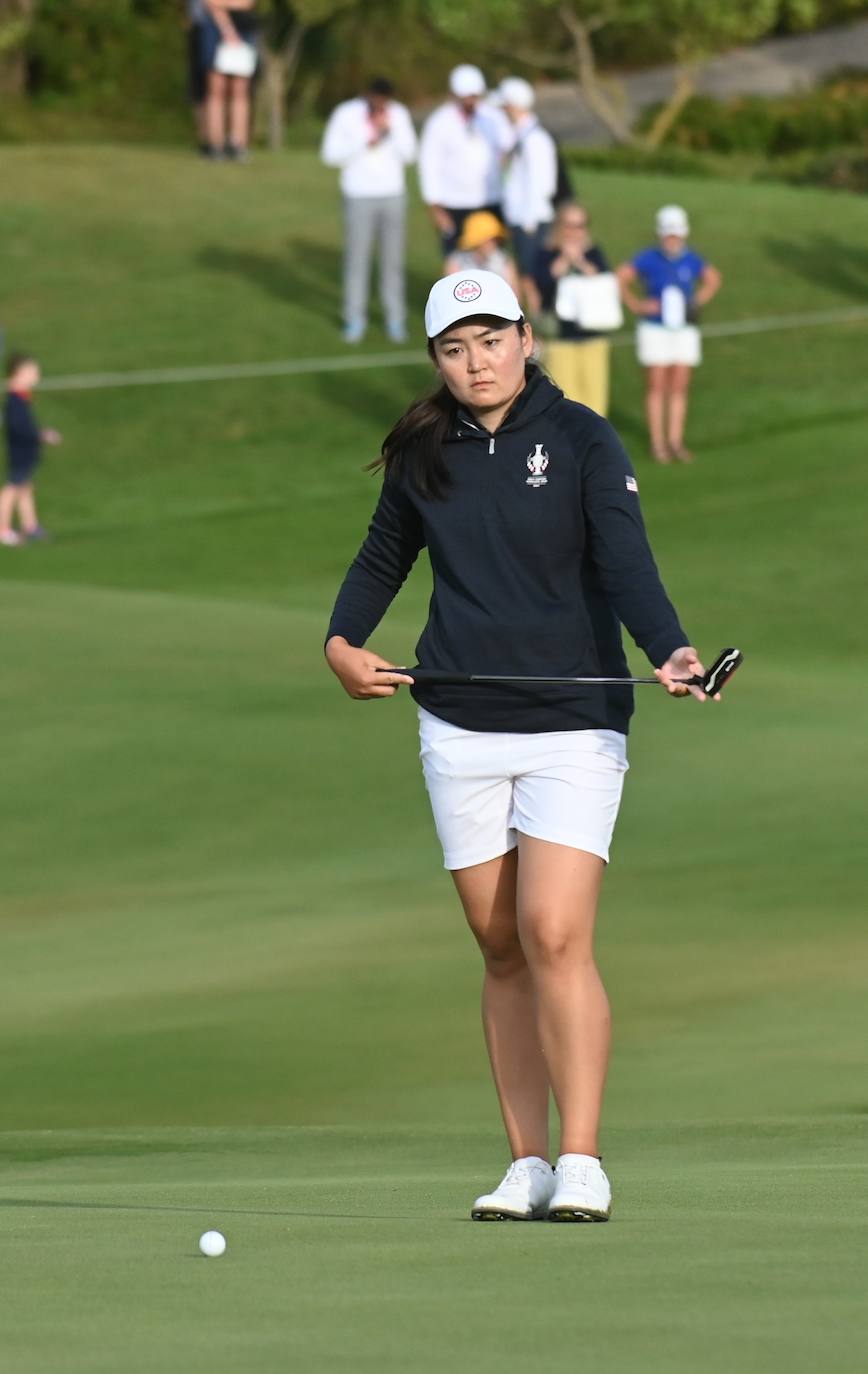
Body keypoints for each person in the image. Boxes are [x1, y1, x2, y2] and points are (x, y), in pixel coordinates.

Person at [325, 270, 721, 1223]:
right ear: (437, 360)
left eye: (493, 339)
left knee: (552, 932)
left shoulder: (583, 437)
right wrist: (341, 642)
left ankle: (582, 1159)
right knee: (500, 945)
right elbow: (385, 554)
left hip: (573, 725)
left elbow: (625, 559)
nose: (478, 361)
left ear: (527, 337)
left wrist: (668, 648)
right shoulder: (426, 448)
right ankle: (527, 1163)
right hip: (458, 719)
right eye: (456, 349)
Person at [617, 205, 722, 463]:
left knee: (679, 385)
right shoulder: (648, 257)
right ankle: (658, 443)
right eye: (668, 234)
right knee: (656, 384)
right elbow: (621, 277)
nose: (672, 239)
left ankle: (675, 441)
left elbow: (713, 279)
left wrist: (696, 302)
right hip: (654, 328)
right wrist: (637, 304)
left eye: (675, 235)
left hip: (683, 329)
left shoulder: (691, 259)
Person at [320, 78, 418, 344]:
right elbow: (330, 155)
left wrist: (389, 131)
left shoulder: (398, 114)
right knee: (357, 259)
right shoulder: (346, 113)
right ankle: (354, 319)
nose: (381, 104)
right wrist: (367, 138)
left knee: (392, 261)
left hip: (392, 195)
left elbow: (409, 154)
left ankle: (395, 319)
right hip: (358, 195)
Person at [418, 65, 511, 268]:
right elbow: (429, 165)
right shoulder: (440, 122)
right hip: (455, 203)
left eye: (474, 96)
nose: (471, 101)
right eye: (466, 96)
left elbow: (507, 147)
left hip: (490, 199)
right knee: (457, 260)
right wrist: (436, 207)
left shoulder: (492, 117)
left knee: (495, 259)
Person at [534, 203, 614, 417]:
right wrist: (563, 259)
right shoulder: (546, 254)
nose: (574, 231)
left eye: (579, 226)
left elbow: (604, 284)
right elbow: (543, 285)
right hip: (560, 338)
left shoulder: (594, 253)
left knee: (595, 402)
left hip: (592, 334)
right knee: (565, 400)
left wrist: (580, 260)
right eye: (569, 225)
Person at [497, 77, 558, 317]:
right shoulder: (520, 135)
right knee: (525, 273)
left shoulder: (535, 139)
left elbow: (542, 184)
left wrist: (529, 222)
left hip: (530, 220)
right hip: (520, 218)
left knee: (532, 276)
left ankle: (538, 324)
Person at [1, 353, 62, 547]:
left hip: (26, 451)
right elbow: (19, 428)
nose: (36, 376)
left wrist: (39, 434)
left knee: (25, 487)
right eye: (31, 372)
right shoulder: (14, 401)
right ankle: (3, 529)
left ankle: (30, 526)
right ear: (18, 374)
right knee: (12, 487)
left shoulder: (21, 399)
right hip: (20, 451)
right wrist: (42, 435)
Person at [201, 1, 258, 161]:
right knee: (216, 89)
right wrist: (227, 28)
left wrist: (227, 5)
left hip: (244, 26)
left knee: (241, 91)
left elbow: (246, 3)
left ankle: (237, 143)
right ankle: (215, 143)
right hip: (215, 25)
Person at [445, 210, 519, 293]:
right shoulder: (457, 261)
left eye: (495, 239)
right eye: (490, 239)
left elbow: (513, 293)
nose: (494, 243)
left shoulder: (504, 260)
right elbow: (451, 291)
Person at [185, 0, 209, 153]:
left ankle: (224, 139)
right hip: (200, 25)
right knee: (199, 87)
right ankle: (206, 139)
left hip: (232, 25)